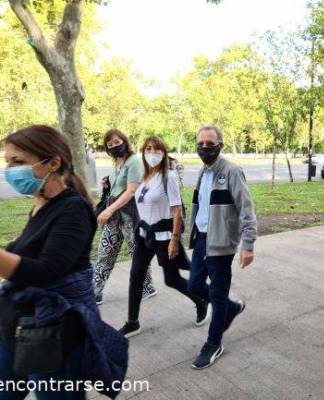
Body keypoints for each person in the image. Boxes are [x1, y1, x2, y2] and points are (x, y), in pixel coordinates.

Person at [0, 125, 128, 399]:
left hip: (52, 336)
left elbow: (47, 271)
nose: (10, 169)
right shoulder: (40, 203)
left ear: (53, 163)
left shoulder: (74, 209)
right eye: (8, 161)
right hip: (18, 324)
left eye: (18, 162)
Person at [119, 136, 211, 338]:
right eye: (148, 149)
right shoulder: (144, 177)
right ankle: (132, 322)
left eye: (157, 149)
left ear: (163, 153)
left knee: (172, 279)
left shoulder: (167, 177)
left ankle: (200, 300)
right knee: (136, 277)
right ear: (143, 152)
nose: (152, 153)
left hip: (164, 237)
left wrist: (174, 240)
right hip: (145, 237)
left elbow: (177, 210)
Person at [188, 126, 257, 369]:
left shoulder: (231, 171)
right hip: (201, 240)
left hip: (221, 243)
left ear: (220, 146)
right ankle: (230, 307)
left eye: (210, 143)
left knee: (216, 294)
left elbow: (247, 209)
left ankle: (214, 343)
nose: (204, 147)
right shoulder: (202, 172)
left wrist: (247, 245)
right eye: (200, 143)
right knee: (194, 285)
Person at [93, 129, 157, 304]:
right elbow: (118, 188)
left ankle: (147, 286)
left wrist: (108, 210)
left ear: (125, 141)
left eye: (116, 142)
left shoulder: (134, 162)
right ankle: (95, 291)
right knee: (105, 252)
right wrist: (108, 185)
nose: (114, 146)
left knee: (137, 253)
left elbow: (131, 191)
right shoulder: (116, 163)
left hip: (130, 216)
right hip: (115, 217)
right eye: (110, 144)